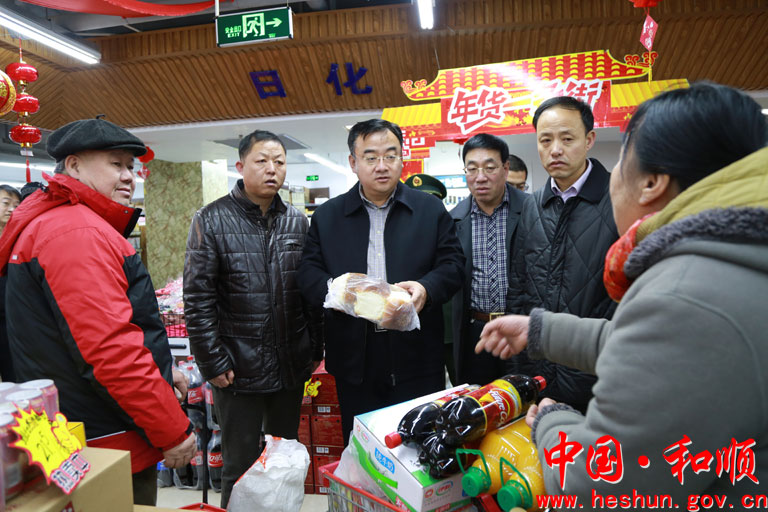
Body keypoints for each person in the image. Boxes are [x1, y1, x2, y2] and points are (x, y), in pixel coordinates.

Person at [477, 82, 768, 505]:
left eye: (623, 160)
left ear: (651, 183)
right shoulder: (729, 261)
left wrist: (553, 421)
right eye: (545, 139)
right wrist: (540, 330)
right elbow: (656, 343)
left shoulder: (686, 292)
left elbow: (600, 482)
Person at [0, 118, 195, 506]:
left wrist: (162, 369)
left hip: (77, 429)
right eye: (116, 164)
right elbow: (111, 353)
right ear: (73, 166)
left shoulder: (60, 224)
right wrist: (172, 430)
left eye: (131, 167)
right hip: (105, 436)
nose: (128, 176)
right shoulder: (76, 233)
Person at [298, 119, 465, 443]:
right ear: (353, 162)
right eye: (371, 157)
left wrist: (427, 288)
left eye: (390, 155)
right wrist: (335, 291)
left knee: (420, 446)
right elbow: (307, 272)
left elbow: (454, 264)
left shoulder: (429, 210)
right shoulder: (328, 216)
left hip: (416, 354)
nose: (382, 166)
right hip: (355, 357)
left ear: (402, 158)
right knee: (363, 447)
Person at [183, 129, 323, 508]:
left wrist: (314, 348)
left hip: (289, 363)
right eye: (262, 161)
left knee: (284, 460)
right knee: (240, 464)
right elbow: (197, 298)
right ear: (241, 166)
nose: (272, 169)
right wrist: (211, 360)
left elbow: (310, 292)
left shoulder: (298, 221)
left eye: (279, 161)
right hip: (236, 368)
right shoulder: (211, 220)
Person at [505, 96, 618, 412]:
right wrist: (519, 364)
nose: (555, 149)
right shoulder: (533, 205)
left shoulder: (618, 198)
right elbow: (519, 284)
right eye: (546, 140)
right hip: (538, 371)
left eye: (567, 139)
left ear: (589, 140)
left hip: (598, 372)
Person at [449, 134, 527, 386]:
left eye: (489, 168)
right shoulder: (454, 220)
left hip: (521, 328)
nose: (480, 177)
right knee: (479, 398)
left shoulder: (531, 210)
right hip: (476, 331)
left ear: (505, 168)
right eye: (472, 169)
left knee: (525, 396)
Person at [0, 184, 20, 382]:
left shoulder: (19, 238)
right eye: (6, 203)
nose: (12, 209)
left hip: (13, 316)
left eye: (16, 205)